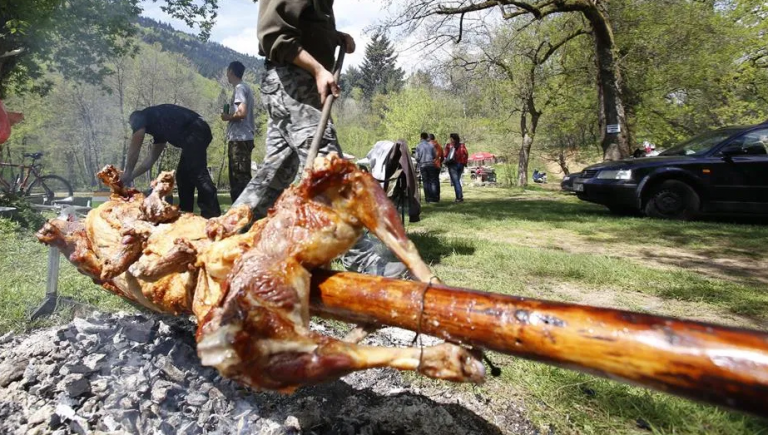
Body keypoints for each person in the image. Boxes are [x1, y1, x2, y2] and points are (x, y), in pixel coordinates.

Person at [232, 0, 409, 279]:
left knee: (275, 171)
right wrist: (317, 69)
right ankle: (364, 257)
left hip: (292, 84)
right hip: (292, 82)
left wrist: (333, 38)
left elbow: (304, 27)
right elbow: (274, 36)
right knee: (328, 167)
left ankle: (226, 237)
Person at [122, 104, 221, 218]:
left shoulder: (139, 117)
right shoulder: (158, 127)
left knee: (197, 172)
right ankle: (186, 213)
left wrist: (128, 171)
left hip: (195, 129)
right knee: (183, 176)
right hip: (197, 131)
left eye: (132, 126)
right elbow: (150, 160)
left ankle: (212, 214)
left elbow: (135, 149)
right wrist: (132, 176)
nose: (133, 129)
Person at [221, 61, 256, 202]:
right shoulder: (244, 88)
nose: (226, 75)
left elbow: (241, 113)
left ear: (230, 71)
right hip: (243, 139)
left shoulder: (240, 88)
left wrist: (227, 117)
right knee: (240, 178)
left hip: (239, 140)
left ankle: (244, 213)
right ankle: (244, 213)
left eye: (227, 72)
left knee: (239, 180)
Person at [444, 133, 468, 202]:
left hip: (453, 165)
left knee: (456, 182)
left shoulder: (449, 146)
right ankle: (459, 197)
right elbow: (466, 154)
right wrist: (464, 163)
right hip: (461, 165)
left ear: (451, 138)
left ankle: (459, 197)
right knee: (457, 180)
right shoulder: (462, 145)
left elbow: (445, 155)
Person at [415, 132, 438, 203]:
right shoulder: (431, 145)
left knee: (425, 182)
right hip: (431, 164)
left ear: (421, 137)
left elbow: (416, 157)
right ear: (426, 137)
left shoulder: (418, 146)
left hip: (423, 165)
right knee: (433, 181)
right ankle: (434, 198)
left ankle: (428, 198)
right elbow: (435, 155)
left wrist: (419, 160)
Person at [429, 133, 443, 201]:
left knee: (431, 181)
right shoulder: (439, 146)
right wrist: (440, 162)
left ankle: (433, 197)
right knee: (436, 181)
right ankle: (437, 196)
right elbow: (442, 156)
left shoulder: (428, 145)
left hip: (431, 164)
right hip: (438, 165)